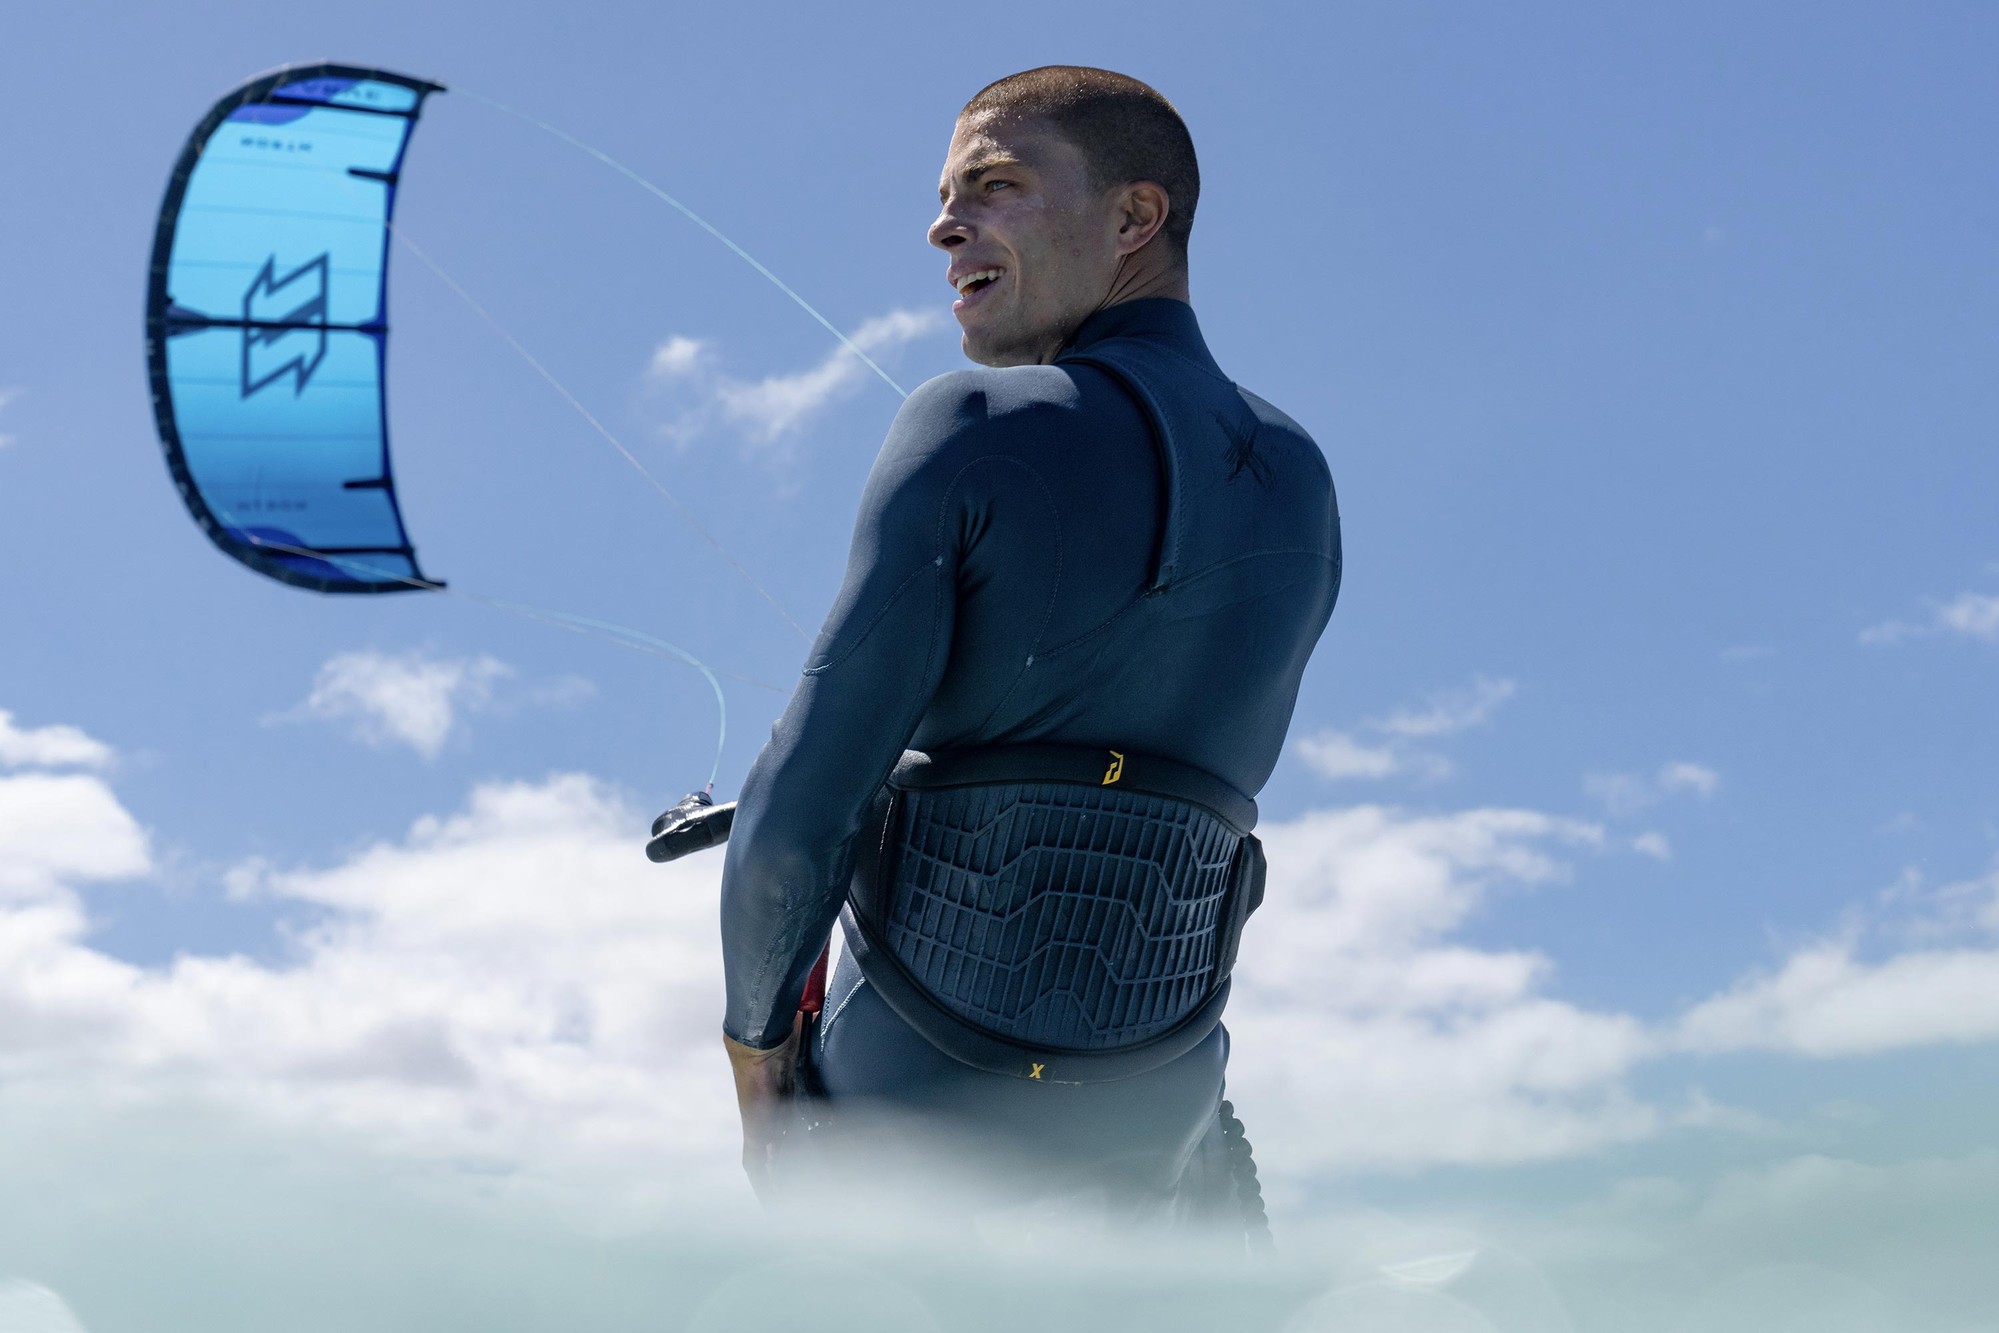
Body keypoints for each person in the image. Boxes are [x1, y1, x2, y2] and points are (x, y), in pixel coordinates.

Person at [716, 66, 1341, 1219]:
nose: (943, 226)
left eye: (994, 185)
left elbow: (797, 815)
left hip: (918, 1097)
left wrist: (756, 1060)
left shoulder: (966, 420)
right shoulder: (1300, 476)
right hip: (1159, 1101)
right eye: (946, 198)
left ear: (1134, 216)